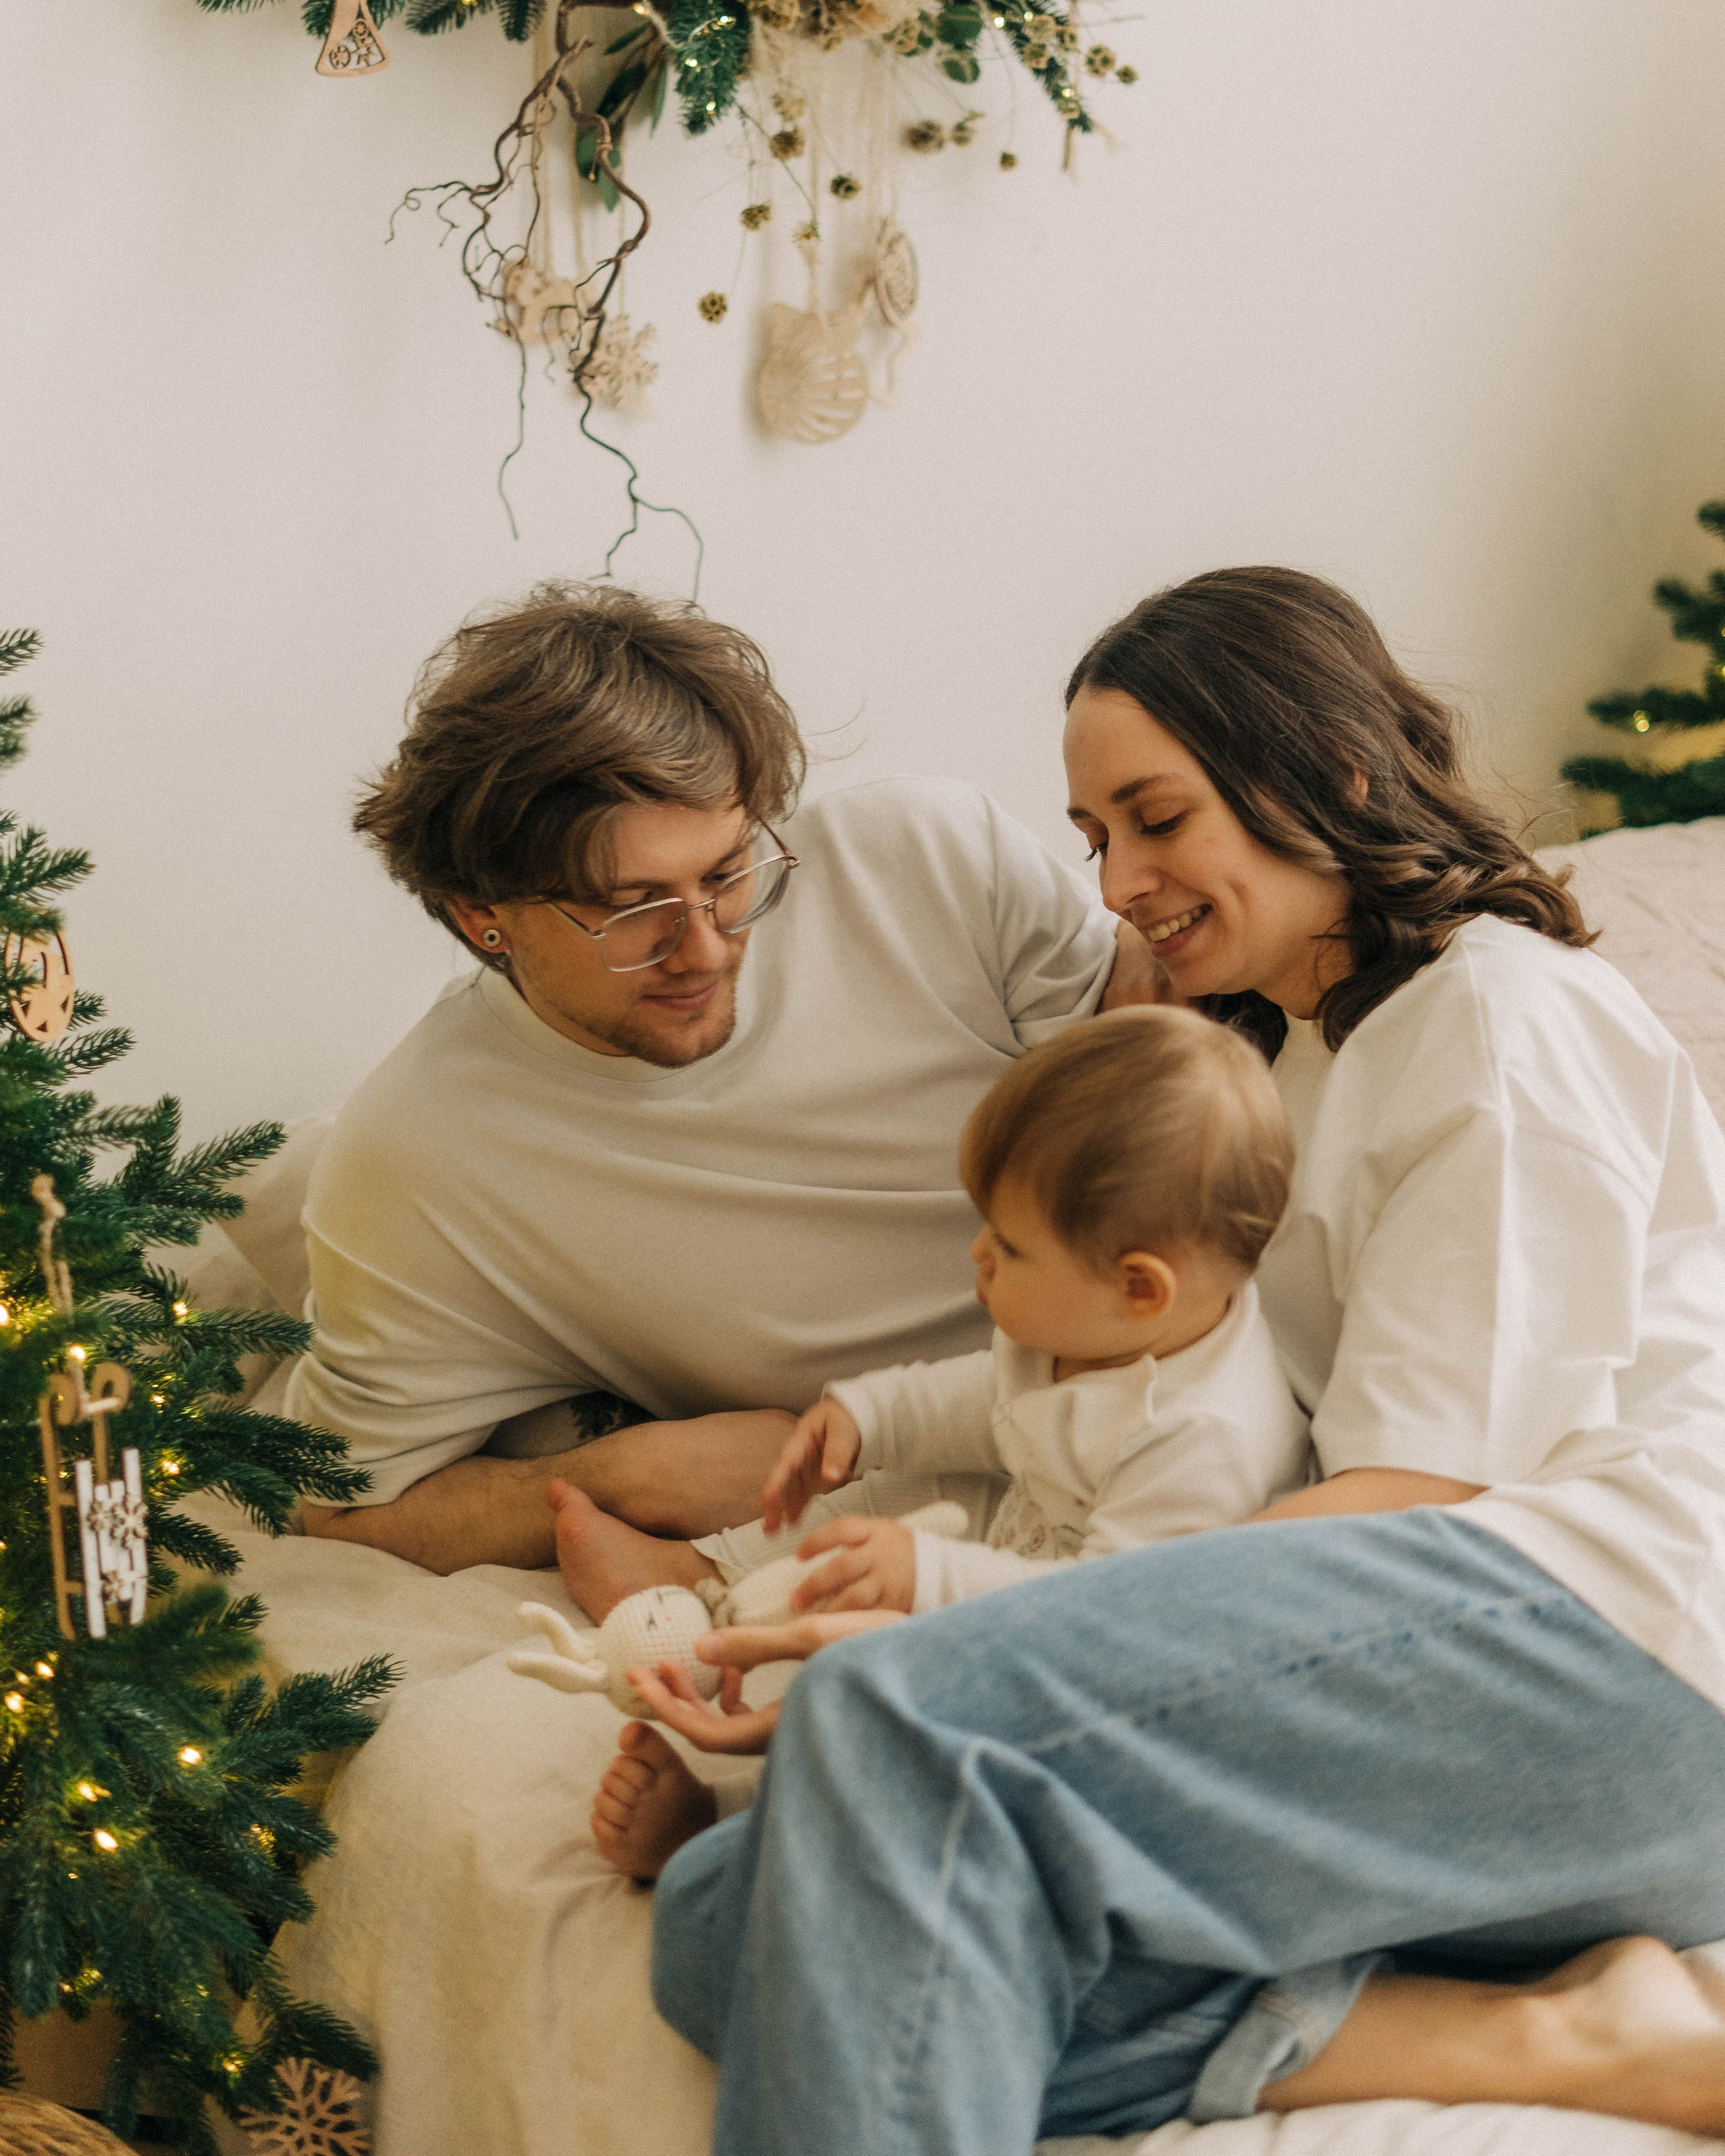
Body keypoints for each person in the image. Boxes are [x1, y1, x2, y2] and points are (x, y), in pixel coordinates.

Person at [640, 565, 1725, 2149]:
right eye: (1093, 838)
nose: (1116, 881)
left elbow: (1412, 1497)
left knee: (898, 1725)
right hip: (1464, 1696)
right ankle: (1551, 2038)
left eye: (1156, 818)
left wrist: (965, 1646)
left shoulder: (1495, 1021)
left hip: (1630, 1651)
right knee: (728, 1909)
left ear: (1329, 773)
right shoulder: (1280, 1067)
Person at [290, 582, 1162, 1575]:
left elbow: (1172, 1076)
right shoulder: (418, 1157)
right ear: (481, 918)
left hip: (1173, 1401)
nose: (702, 947)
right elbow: (346, 1515)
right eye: (630, 909)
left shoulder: (934, 861)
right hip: (909, 1516)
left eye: (727, 872)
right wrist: (621, 1476)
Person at [580, 1003, 1311, 1878]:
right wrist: (870, 1415)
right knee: (854, 1549)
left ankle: (724, 1832)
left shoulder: (1204, 1439)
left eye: (1009, 1244)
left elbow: (1099, 1626)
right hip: (1020, 1594)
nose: (978, 1256)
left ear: (1141, 1288)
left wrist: (925, 1583)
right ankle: (717, 1588)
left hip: (1106, 1708)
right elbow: (993, 1401)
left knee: (904, 1745)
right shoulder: (1100, 1329)